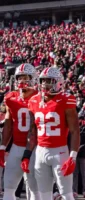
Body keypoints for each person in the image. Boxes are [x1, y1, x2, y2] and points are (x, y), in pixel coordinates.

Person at [20, 66, 80, 200]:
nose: (45, 84)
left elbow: (75, 130)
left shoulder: (66, 99)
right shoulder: (34, 101)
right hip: (41, 152)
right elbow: (32, 132)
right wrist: (27, 155)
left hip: (60, 152)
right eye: (43, 81)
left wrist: (73, 156)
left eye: (49, 81)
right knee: (43, 194)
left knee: (66, 193)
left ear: (58, 82)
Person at [0, 63, 40, 200]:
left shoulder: (39, 98)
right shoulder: (10, 98)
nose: (21, 81)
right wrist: (2, 147)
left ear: (32, 78)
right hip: (16, 147)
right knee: (8, 187)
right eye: (19, 77)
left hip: (35, 148)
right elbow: (8, 124)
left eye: (25, 77)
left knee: (35, 189)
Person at [73, 116, 85, 198]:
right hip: (75, 154)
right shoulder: (75, 130)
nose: (79, 121)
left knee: (84, 173)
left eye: (80, 119)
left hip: (83, 155)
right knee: (75, 173)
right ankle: (74, 190)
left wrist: (80, 147)